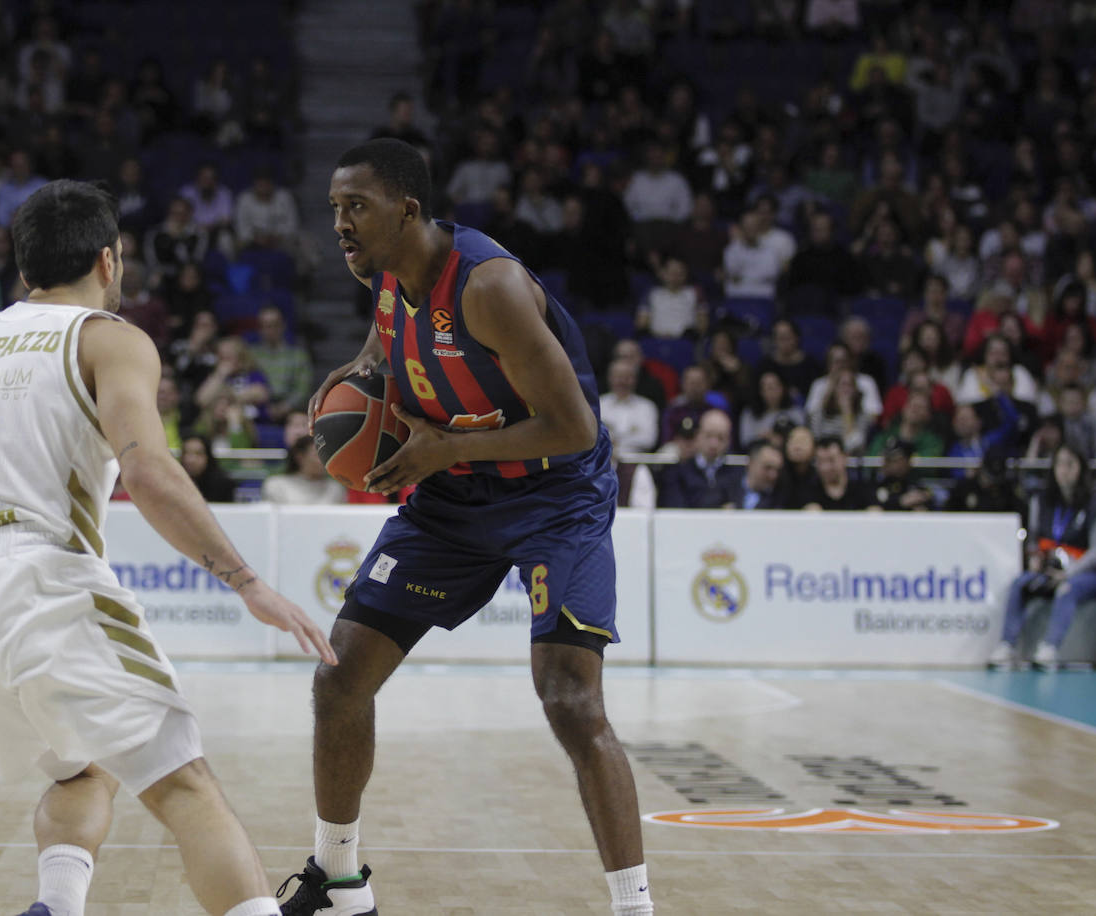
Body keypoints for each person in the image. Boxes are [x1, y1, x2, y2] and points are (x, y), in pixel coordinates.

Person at [0, 180, 335, 916]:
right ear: (110, 262)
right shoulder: (107, 338)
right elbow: (146, 468)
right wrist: (246, 582)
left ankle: (57, 906)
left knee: (82, 772)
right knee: (185, 784)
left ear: (24, 272)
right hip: (38, 583)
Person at [277, 139, 653, 916]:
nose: (341, 225)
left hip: (554, 497)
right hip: (453, 495)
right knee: (339, 677)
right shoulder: (379, 276)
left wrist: (444, 449)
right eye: (334, 210)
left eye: (357, 208)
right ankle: (338, 881)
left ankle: (634, 907)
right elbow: (386, 341)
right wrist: (357, 382)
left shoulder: (491, 288)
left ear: (407, 211)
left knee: (569, 700)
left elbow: (575, 427)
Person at [989, 445, 1096, 669]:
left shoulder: (1095, 502)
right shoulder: (1044, 500)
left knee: (1069, 588)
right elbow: (1033, 540)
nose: (1064, 470)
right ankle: (1006, 645)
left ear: (1081, 468)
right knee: (1019, 584)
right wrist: (1035, 559)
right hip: (1052, 569)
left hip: (1089, 573)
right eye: (1060, 464)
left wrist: (1071, 571)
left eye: (1070, 464)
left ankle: (1050, 647)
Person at [658, 408, 740, 509]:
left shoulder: (738, 473)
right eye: (708, 436)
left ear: (729, 441)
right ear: (698, 435)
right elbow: (675, 507)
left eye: (721, 438)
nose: (714, 444)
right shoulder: (678, 472)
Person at [261, 435, 347, 505]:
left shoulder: (335, 489)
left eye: (327, 455)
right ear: (300, 457)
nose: (324, 461)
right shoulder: (276, 486)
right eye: (318, 455)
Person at [806, 435, 879, 510]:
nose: (825, 467)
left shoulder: (862, 486)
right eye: (820, 461)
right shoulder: (810, 488)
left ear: (844, 458)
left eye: (831, 460)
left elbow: (875, 511)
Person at [726, 439, 784, 510]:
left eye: (777, 470)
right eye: (767, 467)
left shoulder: (780, 498)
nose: (773, 475)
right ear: (751, 463)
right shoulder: (726, 486)